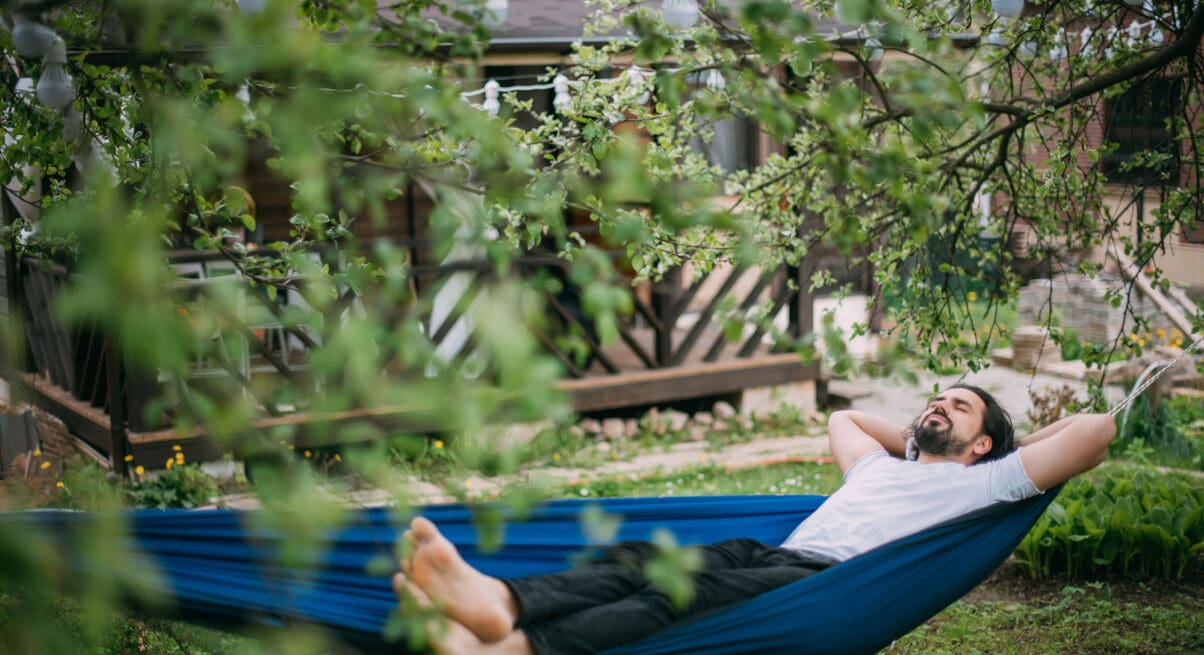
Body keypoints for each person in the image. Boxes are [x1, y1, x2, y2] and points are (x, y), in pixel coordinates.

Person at [393, 384, 1116, 655]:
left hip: (823, 583)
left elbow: (1094, 430)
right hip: (769, 551)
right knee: (644, 560)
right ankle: (501, 603)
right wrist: (914, 433)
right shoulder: (880, 468)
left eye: (957, 407)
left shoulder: (981, 489)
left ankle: (515, 649)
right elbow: (842, 416)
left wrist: (1003, 454)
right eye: (935, 398)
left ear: (984, 443)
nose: (938, 406)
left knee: (669, 599)